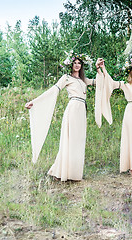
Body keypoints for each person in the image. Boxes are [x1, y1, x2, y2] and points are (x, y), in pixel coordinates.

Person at [25, 52, 100, 181]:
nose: (77, 65)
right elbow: (54, 90)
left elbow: (99, 82)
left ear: (82, 66)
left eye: (79, 63)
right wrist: (35, 101)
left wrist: (99, 68)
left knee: (78, 141)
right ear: (70, 65)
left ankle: (74, 173)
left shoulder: (84, 80)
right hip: (72, 109)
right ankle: (62, 171)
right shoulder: (66, 78)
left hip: (82, 111)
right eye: (75, 63)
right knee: (69, 140)